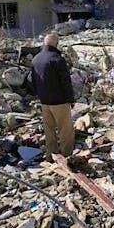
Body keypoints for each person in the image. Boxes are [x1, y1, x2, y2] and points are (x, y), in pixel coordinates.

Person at [30, 32, 75, 160]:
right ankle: (66, 156)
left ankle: (51, 155)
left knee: (49, 130)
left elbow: (33, 81)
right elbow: (65, 81)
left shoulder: (36, 59)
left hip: (44, 101)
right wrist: (71, 99)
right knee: (65, 130)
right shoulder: (57, 59)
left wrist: (39, 95)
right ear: (56, 44)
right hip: (59, 101)